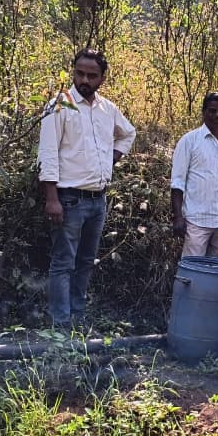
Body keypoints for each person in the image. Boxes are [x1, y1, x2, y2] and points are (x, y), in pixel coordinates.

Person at [37, 48, 137, 330]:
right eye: (79, 73)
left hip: (98, 200)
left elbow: (128, 133)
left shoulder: (107, 109)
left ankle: (78, 317)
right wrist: (52, 198)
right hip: (69, 199)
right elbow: (47, 153)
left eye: (92, 76)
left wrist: (110, 159)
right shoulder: (60, 105)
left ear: (102, 78)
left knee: (85, 261)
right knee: (63, 262)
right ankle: (60, 324)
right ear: (73, 72)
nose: (84, 80)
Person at [171, 92, 218, 259]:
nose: (217, 115)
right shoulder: (189, 141)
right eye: (212, 111)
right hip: (197, 222)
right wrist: (178, 217)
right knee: (193, 270)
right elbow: (177, 183)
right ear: (204, 112)